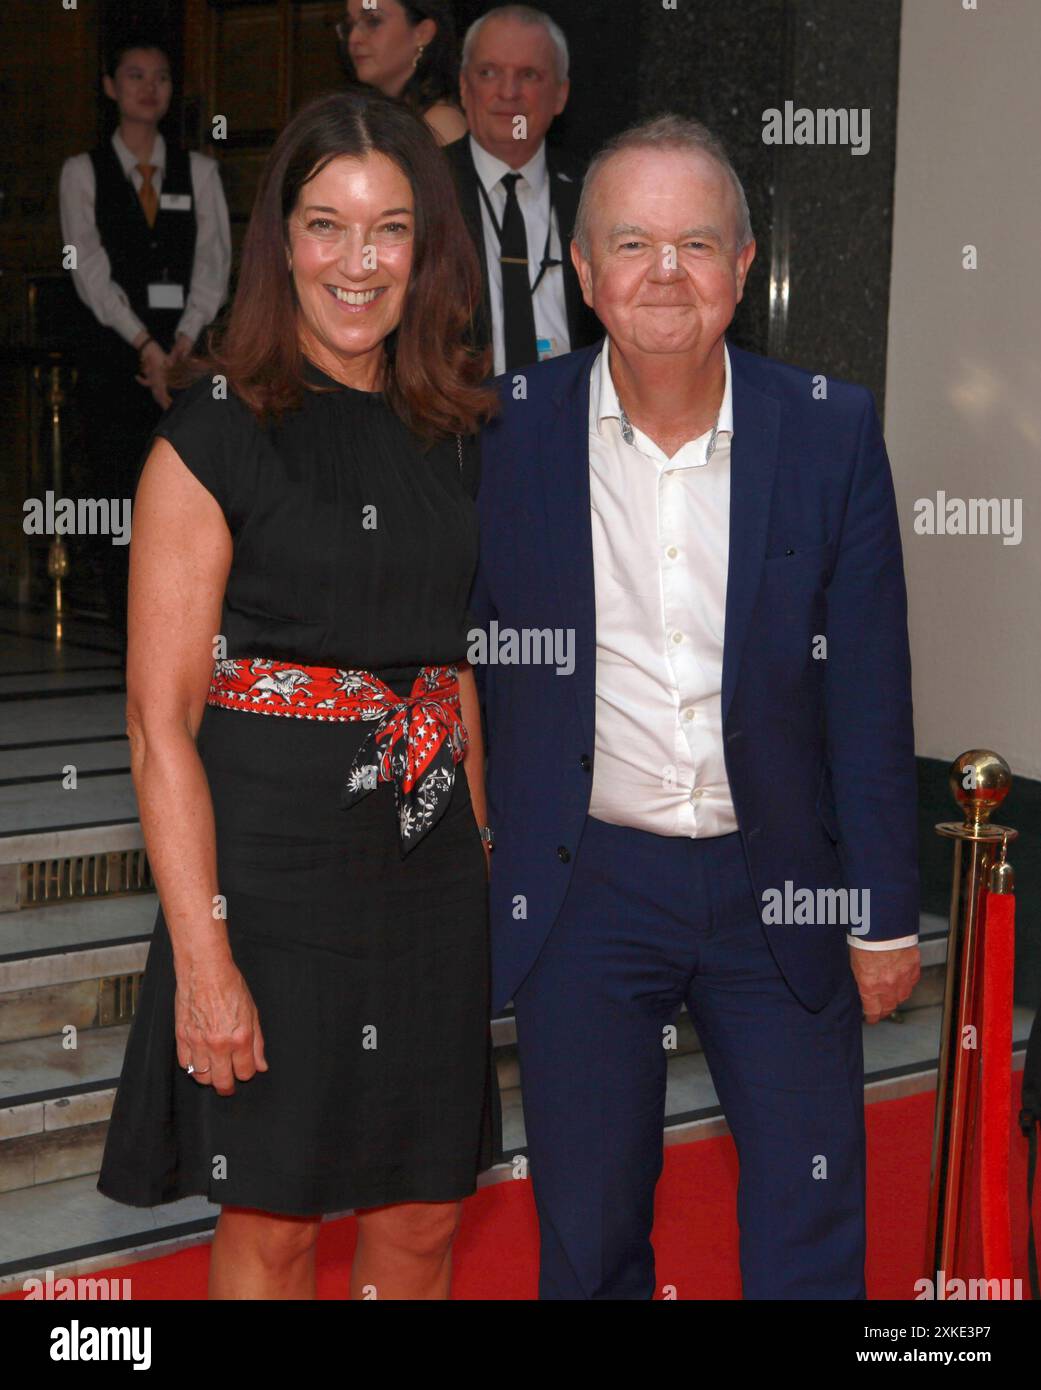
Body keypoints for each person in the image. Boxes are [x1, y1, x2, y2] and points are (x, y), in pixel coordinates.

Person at [468, 114, 921, 1299]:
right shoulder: (498, 429)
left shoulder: (830, 430)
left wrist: (880, 908)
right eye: (632, 242)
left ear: (746, 264)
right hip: (585, 888)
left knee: (809, 1218)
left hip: (782, 881)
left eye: (697, 243)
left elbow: (870, 688)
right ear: (582, 269)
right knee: (589, 1219)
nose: (665, 273)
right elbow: (447, 651)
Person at [96, 89, 501, 1301]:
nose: (357, 262)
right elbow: (156, 723)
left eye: (388, 229)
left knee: (427, 1213)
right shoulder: (209, 438)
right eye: (326, 226)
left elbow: (448, 663)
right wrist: (203, 958)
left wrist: (476, 851)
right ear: (281, 241)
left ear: (425, 248)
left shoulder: (453, 428)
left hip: (425, 871)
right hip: (267, 885)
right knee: (272, 1230)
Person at [59, 32, 230, 656]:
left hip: (187, 361)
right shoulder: (83, 172)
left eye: (160, 76)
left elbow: (214, 262)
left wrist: (182, 343)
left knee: (188, 497)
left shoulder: (200, 171)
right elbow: (87, 266)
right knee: (116, 496)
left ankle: (185, 636)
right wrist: (143, 345)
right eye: (134, 75)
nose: (149, 87)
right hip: (115, 361)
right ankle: (129, 639)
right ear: (110, 86)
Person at [442, 5, 601, 374]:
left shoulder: (596, 193)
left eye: (528, 75)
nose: (508, 92)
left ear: (560, 95)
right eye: (489, 73)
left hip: (576, 417)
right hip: (455, 421)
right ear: (464, 88)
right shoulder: (423, 186)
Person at [338, 0, 467, 145]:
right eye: (349, 26)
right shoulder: (372, 115)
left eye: (373, 21)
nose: (354, 39)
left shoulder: (440, 124)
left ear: (422, 33)